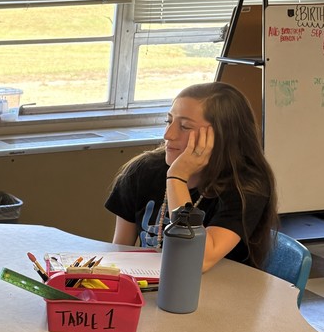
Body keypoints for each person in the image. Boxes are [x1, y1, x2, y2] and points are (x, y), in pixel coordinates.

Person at [105, 81, 278, 271]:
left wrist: (177, 178)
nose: (168, 135)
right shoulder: (141, 171)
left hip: (222, 292)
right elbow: (120, 252)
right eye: (169, 121)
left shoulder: (247, 185)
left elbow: (198, 259)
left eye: (185, 126)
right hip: (154, 289)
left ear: (222, 135)